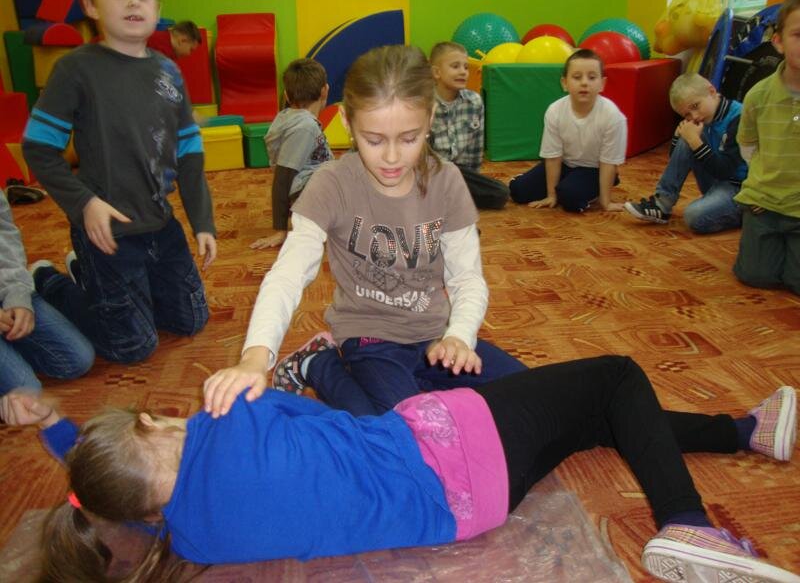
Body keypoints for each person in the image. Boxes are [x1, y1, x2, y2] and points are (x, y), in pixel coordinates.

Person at [6, 357, 798, 582]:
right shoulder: (231, 414)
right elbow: (319, 416)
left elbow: (101, 483)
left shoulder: (190, 538)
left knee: (595, 421)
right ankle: (687, 523)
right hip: (458, 442)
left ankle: (743, 430)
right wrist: (54, 423)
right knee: (616, 378)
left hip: (469, 512)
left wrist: (57, 432)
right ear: (150, 420)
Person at [204, 45, 524, 418]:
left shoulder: (447, 180)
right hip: (370, 338)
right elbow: (288, 274)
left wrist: (459, 336)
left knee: (529, 396)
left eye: (409, 138)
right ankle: (320, 364)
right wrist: (255, 357)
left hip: (433, 335)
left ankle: (408, 388)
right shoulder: (331, 183)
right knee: (408, 432)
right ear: (345, 120)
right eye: (374, 140)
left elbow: (466, 277)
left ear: (431, 117)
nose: (392, 157)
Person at [21, 0, 217, 365]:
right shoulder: (76, 69)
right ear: (90, 5)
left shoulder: (169, 72)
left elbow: (190, 152)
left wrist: (202, 221)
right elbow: (39, 148)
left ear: (157, 6)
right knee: (134, 345)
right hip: (108, 233)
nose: (132, 1)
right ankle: (50, 281)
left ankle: (91, 277)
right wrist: (85, 204)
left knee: (190, 320)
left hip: (161, 226)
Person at [732, 0, 800, 296]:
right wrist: (761, 185)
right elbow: (748, 147)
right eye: (799, 35)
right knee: (755, 276)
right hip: (766, 205)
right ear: (779, 41)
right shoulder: (758, 96)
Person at [624, 73, 746, 234]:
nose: (694, 116)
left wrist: (694, 141)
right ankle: (662, 203)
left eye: (695, 106)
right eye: (687, 114)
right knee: (687, 137)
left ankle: (743, 214)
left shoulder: (739, 117)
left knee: (693, 216)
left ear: (711, 91)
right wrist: (678, 137)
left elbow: (725, 171)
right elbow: (677, 161)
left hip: (739, 188)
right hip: (717, 181)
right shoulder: (702, 118)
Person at [509, 48, 627, 213]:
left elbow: (608, 162)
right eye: (577, 77)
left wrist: (605, 202)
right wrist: (551, 195)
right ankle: (562, 185)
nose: (584, 83)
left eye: (592, 77)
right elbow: (553, 157)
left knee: (570, 198)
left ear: (602, 84)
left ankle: (604, 182)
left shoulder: (612, 116)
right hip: (564, 164)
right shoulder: (555, 111)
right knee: (518, 191)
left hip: (594, 169)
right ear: (564, 83)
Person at [0, 192, 94, 400]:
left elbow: (5, 236)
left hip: (4, 288)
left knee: (77, 358)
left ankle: (46, 281)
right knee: (27, 392)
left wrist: (17, 294)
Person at [250, 58, 334, 250]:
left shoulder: (290, 118)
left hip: (308, 195)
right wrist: (280, 230)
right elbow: (283, 177)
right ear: (325, 90)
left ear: (287, 96)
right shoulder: (304, 127)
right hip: (311, 197)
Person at [428, 42, 510, 210]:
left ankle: (448, 198)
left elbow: (475, 149)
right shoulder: (424, 103)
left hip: (461, 173)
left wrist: (474, 180)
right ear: (437, 72)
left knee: (500, 193)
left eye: (465, 67)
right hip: (432, 172)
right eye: (455, 66)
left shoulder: (474, 101)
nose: (463, 72)